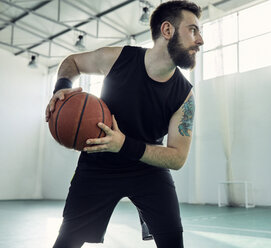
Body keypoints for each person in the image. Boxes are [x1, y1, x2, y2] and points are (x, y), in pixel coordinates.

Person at [44, 0, 204, 247]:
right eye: (193, 30)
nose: (200, 40)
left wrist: (123, 144)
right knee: (67, 241)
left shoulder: (184, 96)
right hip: (98, 165)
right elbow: (72, 62)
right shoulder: (118, 58)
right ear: (167, 31)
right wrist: (61, 88)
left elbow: (177, 157)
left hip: (147, 167)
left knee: (173, 240)